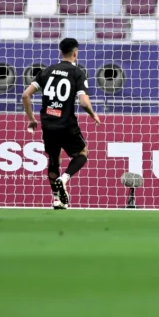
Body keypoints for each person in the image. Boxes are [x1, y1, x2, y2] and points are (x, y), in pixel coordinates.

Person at [22, 38, 100, 209]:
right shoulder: (77, 72)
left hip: (48, 124)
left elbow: (26, 95)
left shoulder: (46, 71)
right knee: (82, 153)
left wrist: (31, 119)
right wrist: (93, 114)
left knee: (53, 159)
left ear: (60, 52)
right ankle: (64, 179)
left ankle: (58, 200)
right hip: (66, 124)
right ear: (75, 53)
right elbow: (84, 102)